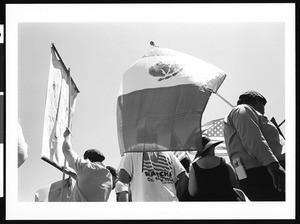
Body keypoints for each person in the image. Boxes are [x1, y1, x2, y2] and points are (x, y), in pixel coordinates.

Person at [223, 90, 285, 201]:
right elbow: (253, 138)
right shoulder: (243, 109)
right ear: (257, 101)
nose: (264, 110)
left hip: (254, 172)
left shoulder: (239, 113)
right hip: (266, 172)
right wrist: (273, 165)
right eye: (263, 105)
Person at [118, 127, 189, 202]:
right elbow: (184, 177)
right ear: (156, 138)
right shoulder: (167, 152)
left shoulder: (133, 150)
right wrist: (176, 197)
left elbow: (123, 178)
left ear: (139, 138)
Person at [62, 128, 112, 201]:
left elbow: (67, 150)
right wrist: (72, 174)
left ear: (87, 159)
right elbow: (88, 183)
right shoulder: (107, 176)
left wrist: (67, 136)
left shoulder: (86, 166)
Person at [188, 136, 243, 201]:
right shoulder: (226, 165)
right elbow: (236, 187)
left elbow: (192, 192)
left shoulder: (194, 168)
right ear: (211, 148)